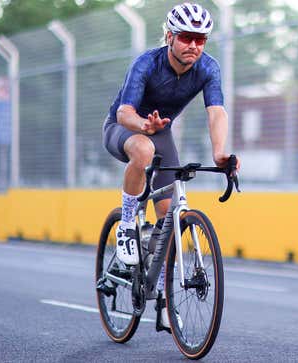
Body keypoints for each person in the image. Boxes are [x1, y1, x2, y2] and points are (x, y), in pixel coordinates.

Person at [102, 2, 240, 329]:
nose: (194, 45)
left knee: (169, 217)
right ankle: (127, 225)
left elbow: (216, 112)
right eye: (186, 37)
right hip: (125, 127)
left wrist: (221, 154)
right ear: (169, 36)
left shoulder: (208, 68)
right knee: (144, 149)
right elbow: (124, 112)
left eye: (201, 39)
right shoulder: (146, 63)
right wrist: (142, 125)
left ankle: (163, 298)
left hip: (159, 132)